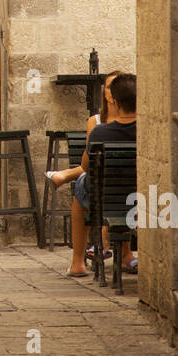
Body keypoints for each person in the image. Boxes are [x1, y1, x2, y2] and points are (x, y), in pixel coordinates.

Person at [66, 72, 138, 278]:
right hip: (139, 200)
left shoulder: (100, 133)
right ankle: (125, 254)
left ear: (115, 101)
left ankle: (77, 261)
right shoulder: (148, 130)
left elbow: (86, 166)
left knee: (80, 182)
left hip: (106, 203)